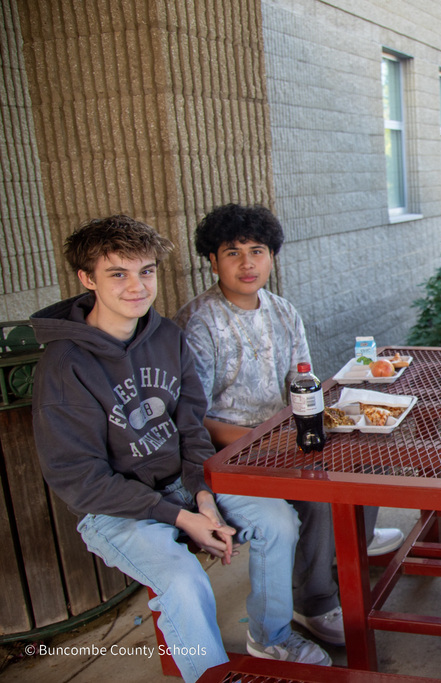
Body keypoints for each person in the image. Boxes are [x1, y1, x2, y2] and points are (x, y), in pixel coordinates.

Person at [30, 216, 332, 682]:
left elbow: (190, 427)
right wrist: (181, 516)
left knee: (277, 521)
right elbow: (79, 480)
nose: (137, 286)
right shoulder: (64, 367)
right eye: (118, 274)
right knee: (184, 582)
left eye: (146, 271)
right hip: (114, 509)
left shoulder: (165, 337)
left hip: (184, 484)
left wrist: (202, 493)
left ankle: (271, 637)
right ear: (87, 280)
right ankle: (209, 675)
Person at [173, 203, 404, 647]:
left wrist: (317, 423)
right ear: (212, 260)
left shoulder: (283, 311)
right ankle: (313, 601)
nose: (247, 264)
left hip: (282, 435)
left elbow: (301, 383)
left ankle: (348, 555)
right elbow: (193, 418)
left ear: (272, 257)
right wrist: (273, 438)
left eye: (257, 251)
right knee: (316, 495)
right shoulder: (200, 322)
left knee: (368, 454)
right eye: (232, 252)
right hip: (229, 451)